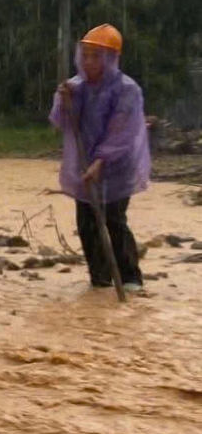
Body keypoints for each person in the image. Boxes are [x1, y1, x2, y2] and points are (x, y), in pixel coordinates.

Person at [50, 24, 150, 292]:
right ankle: (100, 280)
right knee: (86, 223)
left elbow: (121, 132)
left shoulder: (127, 90)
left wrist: (101, 161)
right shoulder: (75, 87)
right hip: (84, 166)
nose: (90, 61)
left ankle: (130, 278)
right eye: (86, 55)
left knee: (114, 220)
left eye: (97, 56)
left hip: (117, 167)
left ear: (110, 58)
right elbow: (61, 121)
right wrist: (64, 100)